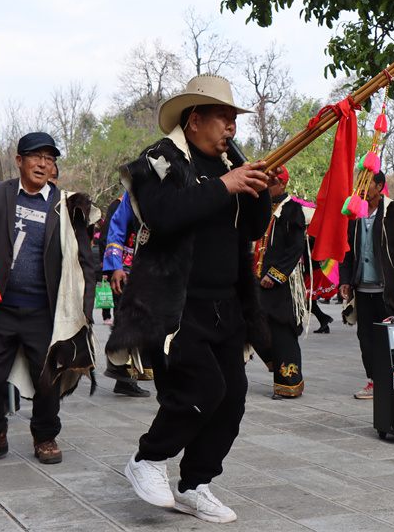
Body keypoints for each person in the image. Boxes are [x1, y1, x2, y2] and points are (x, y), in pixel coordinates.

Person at [104, 74, 273, 524]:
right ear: (194, 119)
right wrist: (227, 185)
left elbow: (252, 229)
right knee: (200, 388)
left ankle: (195, 483)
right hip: (176, 304)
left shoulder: (228, 166)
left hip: (226, 303)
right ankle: (147, 459)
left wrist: (263, 192)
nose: (231, 128)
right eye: (223, 117)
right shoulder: (159, 159)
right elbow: (162, 214)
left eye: (234, 119)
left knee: (233, 395)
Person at [0, 132, 97, 465]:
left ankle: (44, 436)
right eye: (36, 156)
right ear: (19, 161)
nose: (43, 163)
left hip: (44, 310)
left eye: (50, 157)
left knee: (47, 378)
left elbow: (84, 258)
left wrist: (85, 308)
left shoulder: (65, 203)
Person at [339, 172, 394, 400]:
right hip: (363, 289)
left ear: (380, 186)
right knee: (366, 337)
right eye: (359, 183)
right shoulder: (354, 212)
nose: (361, 188)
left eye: (366, 183)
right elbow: (347, 250)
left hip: (390, 290)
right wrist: (345, 280)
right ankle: (374, 382)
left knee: (393, 337)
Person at [254, 166, 311, 399]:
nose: (267, 186)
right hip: (256, 278)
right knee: (252, 325)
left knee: (281, 329)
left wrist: (276, 275)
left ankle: (289, 383)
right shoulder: (261, 208)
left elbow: (296, 248)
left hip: (281, 281)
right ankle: (273, 361)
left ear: (283, 184)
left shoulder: (293, 209)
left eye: (271, 182)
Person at [100, 191, 152, 397]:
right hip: (124, 274)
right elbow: (109, 237)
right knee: (127, 320)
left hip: (149, 271)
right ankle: (120, 369)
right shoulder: (121, 204)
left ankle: (128, 372)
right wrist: (115, 267)